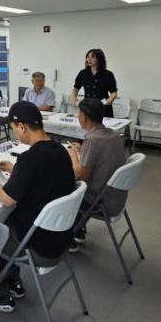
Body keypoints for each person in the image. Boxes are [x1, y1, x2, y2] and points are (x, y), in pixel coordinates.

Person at [0, 101, 76, 312]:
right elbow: (43, 177)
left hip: (38, 245)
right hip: (61, 237)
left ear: (22, 127)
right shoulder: (60, 150)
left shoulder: (31, 158)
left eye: (13, 128)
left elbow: (7, 199)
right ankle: (13, 281)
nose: (14, 133)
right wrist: (16, 169)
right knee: (9, 222)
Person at [66, 98, 126, 252]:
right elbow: (100, 157)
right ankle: (78, 229)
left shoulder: (93, 140)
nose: (77, 116)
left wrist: (73, 154)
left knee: (62, 188)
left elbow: (82, 175)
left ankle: (67, 236)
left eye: (79, 113)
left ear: (84, 117)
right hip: (116, 197)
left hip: (100, 201)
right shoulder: (113, 135)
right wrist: (82, 150)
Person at [70, 48, 118, 118]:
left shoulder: (108, 74)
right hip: (87, 107)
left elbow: (114, 92)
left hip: (103, 107)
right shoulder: (83, 73)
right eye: (87, 57)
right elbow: (76, 88)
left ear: (99, 59)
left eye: (92, 57)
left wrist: (111, 99)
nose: (89, 59)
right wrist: (73, 97)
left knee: (102, 125)